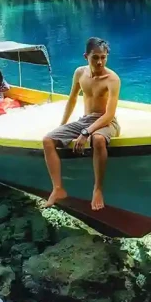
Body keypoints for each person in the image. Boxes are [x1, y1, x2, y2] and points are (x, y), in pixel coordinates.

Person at [42, 37, 121, 211]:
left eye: (103, 57)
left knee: (98, 139)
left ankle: (98, 188)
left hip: (106, 121)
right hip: (86, 119)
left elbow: (109, 115)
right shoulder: (79, 73)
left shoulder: (112, 79)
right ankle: (58, 189)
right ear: (86, 56)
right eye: (95, 57)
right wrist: (61, 126)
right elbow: (71, 100)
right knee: (48, 140)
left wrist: (86, 133)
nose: (100, 62)